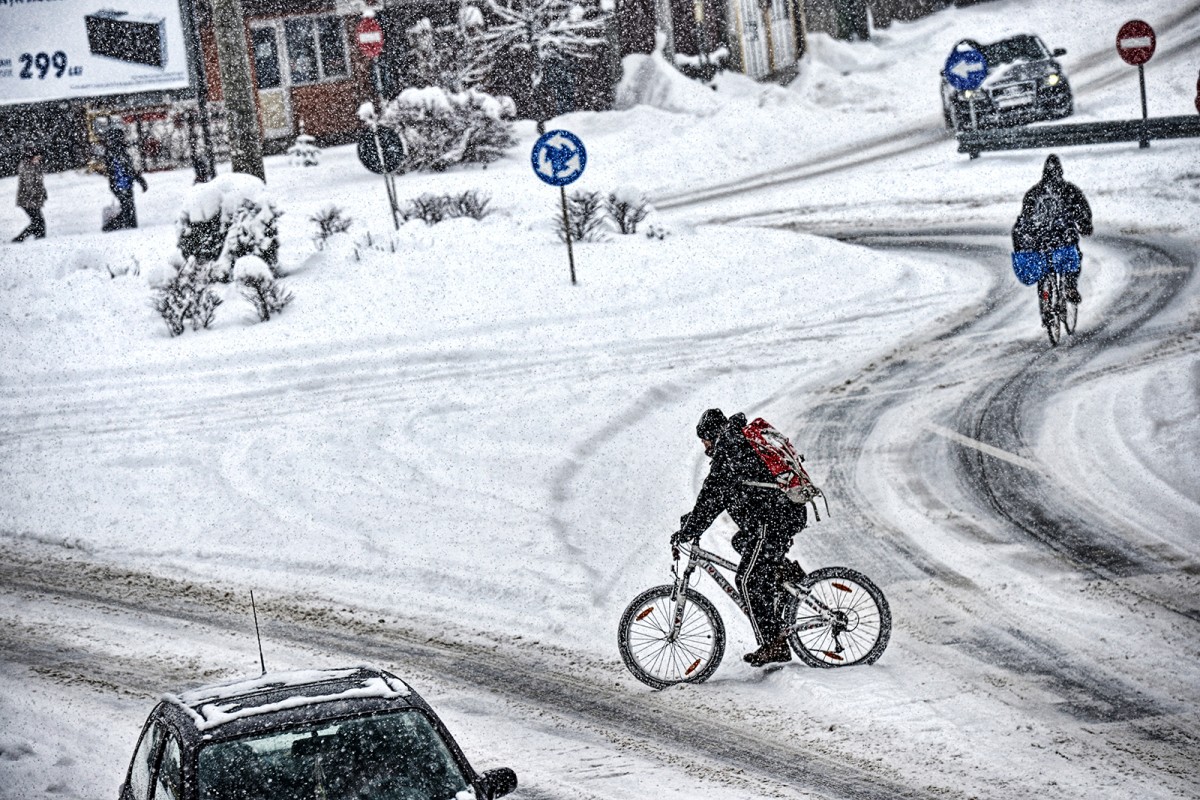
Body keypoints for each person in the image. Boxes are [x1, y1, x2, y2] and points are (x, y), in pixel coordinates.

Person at [671, 408, 808, 667]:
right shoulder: (735, 444)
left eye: (705, 441)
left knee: (747, 579)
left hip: (773, 520)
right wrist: (692, 521)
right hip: (775, 518)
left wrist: (689, 530)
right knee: (741, 543)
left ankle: (775, 644)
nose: (705, 447)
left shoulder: (731, 449)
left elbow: (712, 496)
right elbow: (716, 497)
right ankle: (784, 575)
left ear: (713, 434)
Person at [1012, 153, 1092, 304]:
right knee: (1073, 258)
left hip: (1039, 240)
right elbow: (1082, 210)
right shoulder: (1069, 190)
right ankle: (1069, 285)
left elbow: (1025, 219)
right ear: (1060, 171)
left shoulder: (1033, 193)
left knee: (1043, 267)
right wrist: (1085, 224)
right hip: (1063, 239)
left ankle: (1046, 301)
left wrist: (1022, 243)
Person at [99, 127, 148, 232]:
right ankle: (114, 226)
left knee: (128, 207)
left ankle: (127, 225)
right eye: (121, 137)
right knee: (128, 208)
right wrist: (139, 181)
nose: (124, 139)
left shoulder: (113, 151)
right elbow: (127, 171)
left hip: (121, 185)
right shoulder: (118, 152)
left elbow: (123, 170)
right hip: (122, 185)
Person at [13, 144, 47, 242]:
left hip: (32, 200)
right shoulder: (27, 167)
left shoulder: (34, 165)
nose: (40, 158)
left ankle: (39, 239)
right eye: (37, 156)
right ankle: (20, 239)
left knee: (38, 222)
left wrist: (43, 192)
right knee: (38, 222)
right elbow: (30, 185)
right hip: (27, 200)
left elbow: (38, 182)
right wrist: (38, 193)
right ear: (31, 156)